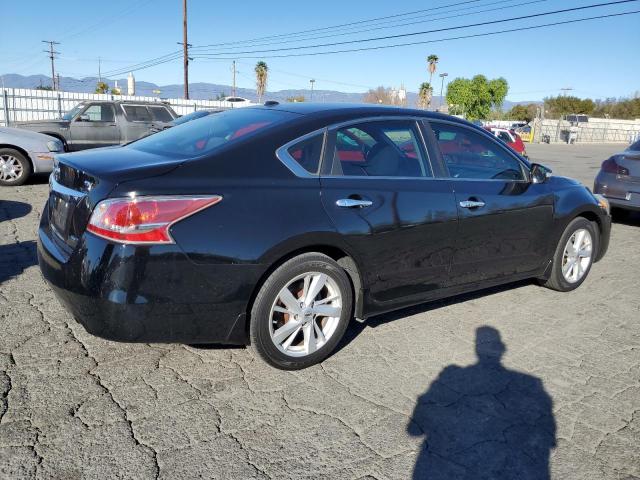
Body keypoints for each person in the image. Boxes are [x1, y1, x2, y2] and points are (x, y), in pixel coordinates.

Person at [408, 326, 556, 479]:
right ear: (502, 349)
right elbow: (549, 436)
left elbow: (414, 430)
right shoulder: (531, 383)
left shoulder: (452, 374)